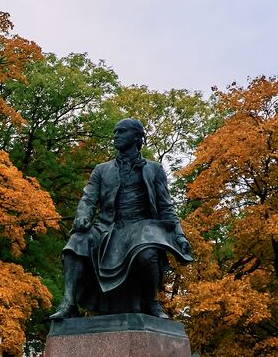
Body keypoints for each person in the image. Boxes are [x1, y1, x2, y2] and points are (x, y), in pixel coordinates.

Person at [50, 118, 194, 319]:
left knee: (147, 252)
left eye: (121, 132)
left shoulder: (154, 169)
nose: (115, 136)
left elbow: (165, 207)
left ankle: (151, 302)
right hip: (108, 228)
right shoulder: (102, 169)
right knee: (76, 242)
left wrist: (179, 236)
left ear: (136, 137)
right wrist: (82, 217)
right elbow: (88, 199)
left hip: (141, 227)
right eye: (115, 132)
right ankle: (69, 304)